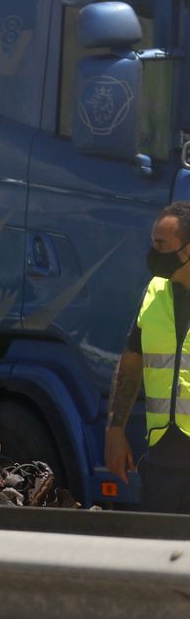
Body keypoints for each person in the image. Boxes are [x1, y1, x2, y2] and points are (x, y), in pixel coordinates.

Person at [104, 201, 190, 515]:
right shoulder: (155, 291)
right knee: (158, 556)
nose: (154, 253)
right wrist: (114, 431)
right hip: (162, 461)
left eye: (161, 244)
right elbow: (130, 363)